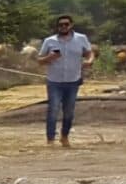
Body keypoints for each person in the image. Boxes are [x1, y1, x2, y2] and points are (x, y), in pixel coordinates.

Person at [37, 13, 96, 147]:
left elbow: (89, 52)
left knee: (69, 111)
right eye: (60, 25)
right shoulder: (49, 41)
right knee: (53, 109)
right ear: (57, 26)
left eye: (66, 24)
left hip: (73, 80)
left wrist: (90, 61)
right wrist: (50, 58)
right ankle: (50, 139)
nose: (63, 27)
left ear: (71, 25)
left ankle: (64, 136)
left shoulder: (81, 38)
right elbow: (39, 60)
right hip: (54, 81)